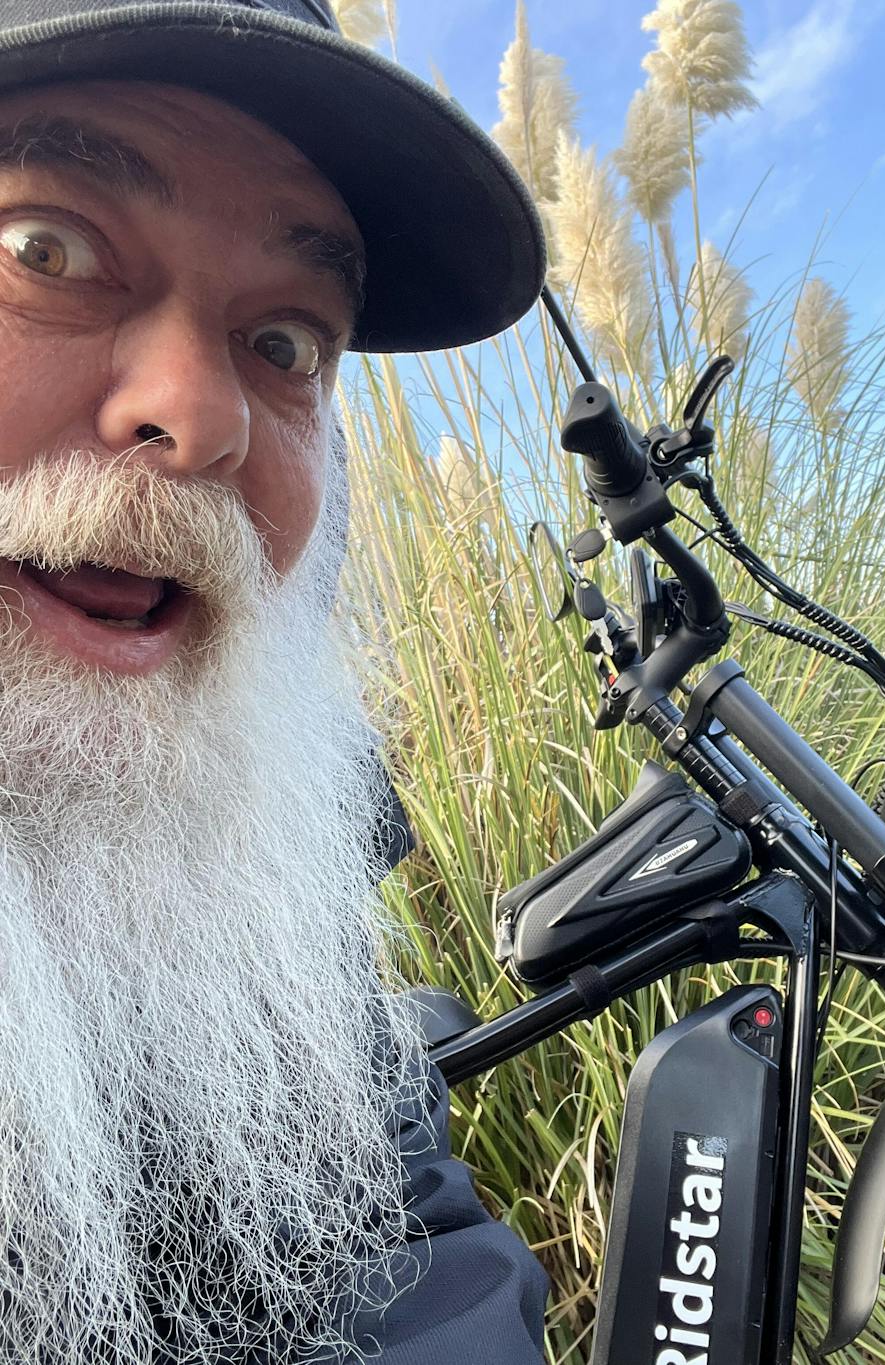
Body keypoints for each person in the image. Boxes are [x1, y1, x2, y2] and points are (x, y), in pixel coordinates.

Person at [0, 0, 550, 1361]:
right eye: (46, 249)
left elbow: (405, 1229)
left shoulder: (242, 845)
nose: (202, 416)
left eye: (289, 342)